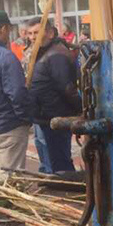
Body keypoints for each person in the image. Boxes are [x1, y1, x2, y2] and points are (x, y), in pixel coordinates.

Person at [26, 17, 81, 173]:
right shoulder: (41, 52)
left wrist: (79, 108)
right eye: (30, 33)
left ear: (50, 33)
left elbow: (67, 88)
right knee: (46, 158)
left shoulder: (57, 55)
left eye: (36, 32)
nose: (32, 37)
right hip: (41, 116)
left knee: (58, 162)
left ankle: (64, 187)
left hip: (54, 117)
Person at [0, 10, 33, 178]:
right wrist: (25, 119)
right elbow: (18, 94)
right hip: (7, 129)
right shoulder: (6, 57)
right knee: (10, 185)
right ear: (4, 29)